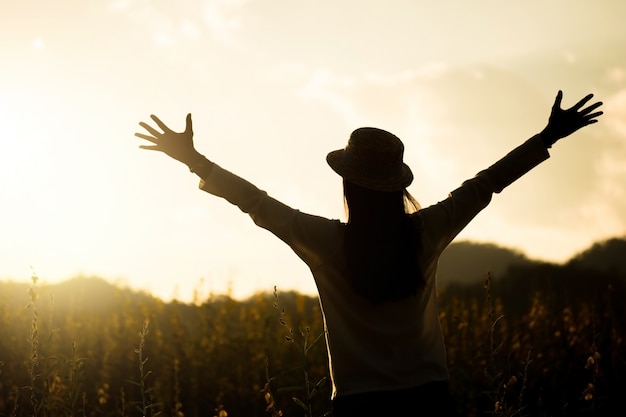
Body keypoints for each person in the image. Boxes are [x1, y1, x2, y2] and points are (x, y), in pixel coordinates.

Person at [134, 90, 603, 416]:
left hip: (360, 406)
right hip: (430, 402)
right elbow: (486, 184)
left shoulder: (324, 242)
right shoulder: (426, 231)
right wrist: (547, 137)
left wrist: (194, 159)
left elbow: (256, 201)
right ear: (398, 185)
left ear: (347, 183)